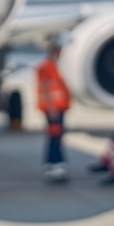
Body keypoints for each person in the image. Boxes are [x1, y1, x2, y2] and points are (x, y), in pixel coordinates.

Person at [36, 43, 72, 183]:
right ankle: (55, 164)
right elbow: (45, 87)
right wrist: (51, 108)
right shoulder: (46, 66)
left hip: (58, 107)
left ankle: (54, 164)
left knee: (56, 135)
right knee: (55, 136)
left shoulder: (52, 65)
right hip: (53, 108)